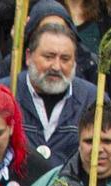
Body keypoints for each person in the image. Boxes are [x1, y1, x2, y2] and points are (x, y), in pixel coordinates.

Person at [12, 22, 97, 168]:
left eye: (65, 59)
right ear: (28, 56)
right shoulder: (7, 93)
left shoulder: (92, 100)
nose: (56, 66)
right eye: (49, 57)